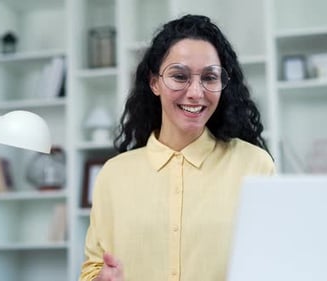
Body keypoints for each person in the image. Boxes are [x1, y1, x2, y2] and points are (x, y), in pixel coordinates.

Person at [79, 14, 275, 281]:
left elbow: (274, 263)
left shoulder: (254, 166)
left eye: (210, 77)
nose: (196, 92)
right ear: (154, 82)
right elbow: (92, 269)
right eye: (179, 76)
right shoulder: (113, 175)